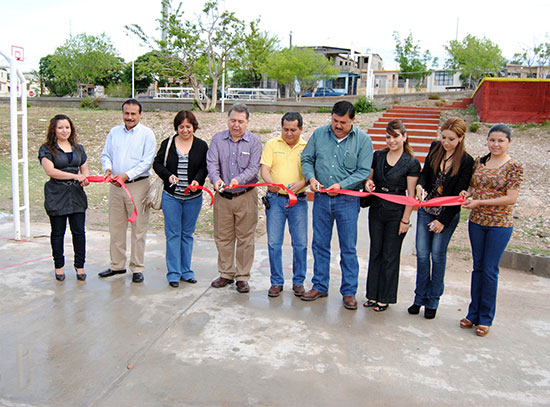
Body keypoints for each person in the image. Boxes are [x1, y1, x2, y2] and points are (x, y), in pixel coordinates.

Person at [300, 100, 373, 309]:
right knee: (320, 244)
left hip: (348, 201)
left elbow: (362, 171)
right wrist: (311, 178)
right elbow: (306, 159)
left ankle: (349, 291)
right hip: (322, 200)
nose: (338, 126)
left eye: (343, 122)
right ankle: (319, 285)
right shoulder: (319, 135)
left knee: (348, 248)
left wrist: (341, 185)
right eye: (334, 120)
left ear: (353, 120)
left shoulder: (363, 141)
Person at [459, 124, 523, 337]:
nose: (495, 144)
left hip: (499, 225)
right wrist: (466, 195)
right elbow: (471, 187)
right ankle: (473, 313)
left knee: (489, 270)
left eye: (500, 141)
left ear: (509, 142)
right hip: (477, 222)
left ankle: (485, 318)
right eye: (492, 140)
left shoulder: (513, 167)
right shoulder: (480, 161)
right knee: (477, 267)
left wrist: (480, 203)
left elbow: (511, 198)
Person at [409, 117, 474, 319]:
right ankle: (419, 298)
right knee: (421, 254)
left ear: (461, 138)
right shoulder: (436, 147)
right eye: (444, 137)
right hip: (426, 208)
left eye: (451, 139)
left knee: (437, 256)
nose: (446, 142)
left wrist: (442, 221)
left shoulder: (466, 161)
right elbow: (426, 173)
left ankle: (433, 300)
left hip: (446, 213)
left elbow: (458, 195)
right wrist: (420, 185)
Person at [363, 119, 420, 312]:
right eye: (388, 136)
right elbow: (369, 179)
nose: (391, 140)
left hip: (397, 213)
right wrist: (368, 184)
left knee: (390, 255)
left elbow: (411, 195)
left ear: (404, 136)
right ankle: (372, 294)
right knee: (376, 252)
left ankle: (384, 297)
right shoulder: (378, 155)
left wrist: (406, 220)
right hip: (377, 210)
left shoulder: (411, 162)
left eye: (395, 136)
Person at [206, 103, 262, 293]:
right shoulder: (217, 139)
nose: (236, 125)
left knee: (245, 238)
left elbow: (254, 168)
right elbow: (212, 163)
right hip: (223, 196)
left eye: (240, 121)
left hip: (246, 195)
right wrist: (216, 179)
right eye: (233, 120)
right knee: (223, 237)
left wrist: (239, 179)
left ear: (247, 122)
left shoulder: (254, 142)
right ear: (228, 120)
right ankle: (226, 273)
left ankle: (242, 276)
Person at [99, 99, 156, 283]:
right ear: (122, 113)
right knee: (116, 227)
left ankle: (137, 267)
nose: (129, 117)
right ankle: (117, 265)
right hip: (115, 186)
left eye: (133, 114)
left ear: (140, 115)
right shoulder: (114, 132)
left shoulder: (147, 134)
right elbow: (106, 154)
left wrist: (127, 175)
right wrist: (108, 168)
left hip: (138, 185)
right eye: (126, 113)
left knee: (139, 228)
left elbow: (147, 162)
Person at [153, 111, 208, 288]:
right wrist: (168, 176)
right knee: (173, 234)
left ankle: (186, 271)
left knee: (187, 235)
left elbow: (204, 167)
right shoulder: (168, 143)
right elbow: (157, 163)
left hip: (193, 198)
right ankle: (174, 273)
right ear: (176, 127)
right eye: (181, 127)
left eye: (188, 127)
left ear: (194, 127)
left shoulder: (201, 146)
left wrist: (197, 181)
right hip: (172, 197)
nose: (185, 130)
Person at [260, 112, 308, 298]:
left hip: (299, 200)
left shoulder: (307, 147)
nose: (288, 133)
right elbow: (264, 169)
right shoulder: (272, 144)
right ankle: (276, 282)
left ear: (301, 129)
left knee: (301, 243)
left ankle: (298, 282)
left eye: (293, 130)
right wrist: (269, 182)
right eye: (285, 129)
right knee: (274, 243)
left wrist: (303, 182)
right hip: (275, 200)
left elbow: (312, 170)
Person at [39, 114, 90, 281]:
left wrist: (85, 179)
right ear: (54, 129)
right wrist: (75, 177)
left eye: (67, 127)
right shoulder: (46, 149)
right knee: (58, 233)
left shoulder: (78, 148)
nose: (64, 130)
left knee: (79, 233)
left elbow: (85, 169)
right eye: (60, 127)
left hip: (76, 196)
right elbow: (50, 171)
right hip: (57, 195)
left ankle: (80, 266)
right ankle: (59, 267)